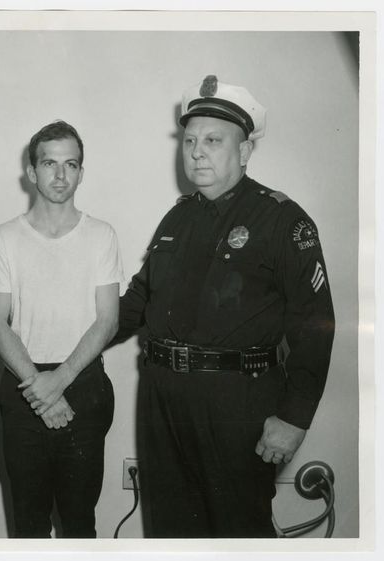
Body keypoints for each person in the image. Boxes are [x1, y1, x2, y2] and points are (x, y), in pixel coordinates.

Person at [117, 76, 335, 538]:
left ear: (244, 151)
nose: (197, 151)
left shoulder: (281, 219)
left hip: (238, 405)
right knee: (170, 532)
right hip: (162, 400)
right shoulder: (177, 216)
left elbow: (315, 325)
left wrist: (295, 417)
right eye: (190, 140)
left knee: (237, 532)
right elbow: (137, 301)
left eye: (213, 140)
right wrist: (73, 338)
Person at [0, 121, 123, 538]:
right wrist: (39, 387)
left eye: (71, 164)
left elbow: (108, 319)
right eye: (49, 164)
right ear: (31, 172)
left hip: (81, 382)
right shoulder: (6, 237)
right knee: (28, 524)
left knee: (80, 522)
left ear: (81, 172)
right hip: (24, 384)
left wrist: (59, 382)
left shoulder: (101, 235)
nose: (60, 175)